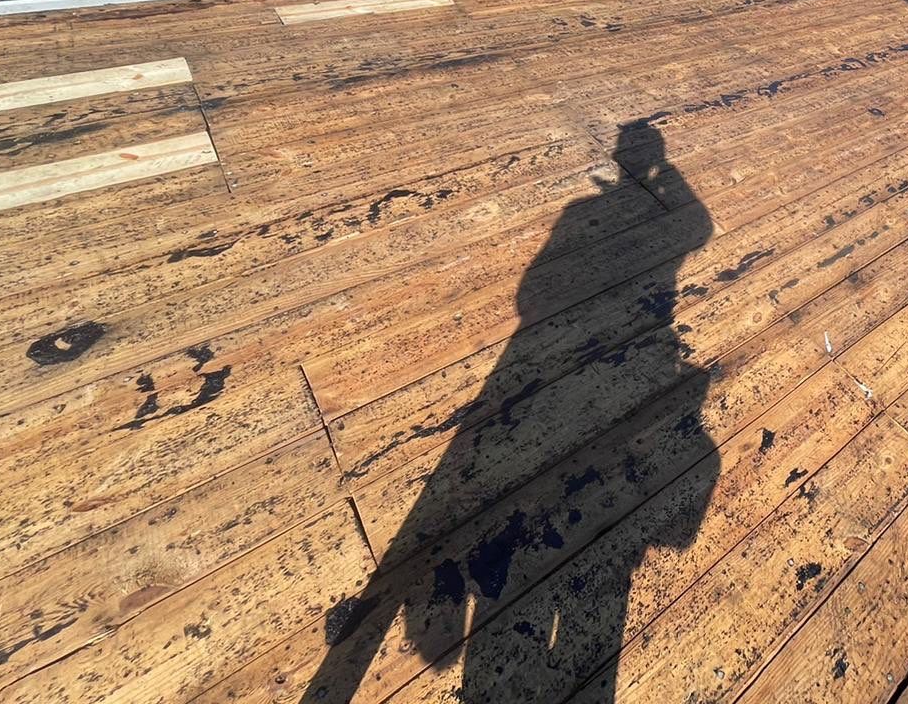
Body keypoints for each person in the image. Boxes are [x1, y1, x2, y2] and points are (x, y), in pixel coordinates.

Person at [300, 119, 717, 702]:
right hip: (624, 360)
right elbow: (696, 227)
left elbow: (533, 291)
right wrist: (662, 181)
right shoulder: (596, 211)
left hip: (549, 358)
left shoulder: (578, 213)